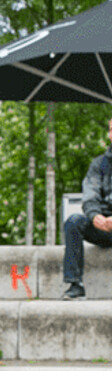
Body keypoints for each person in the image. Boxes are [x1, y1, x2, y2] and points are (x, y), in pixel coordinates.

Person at [62, 116, 112, 300]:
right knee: (74, 222)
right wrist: (94, 216)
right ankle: (75, 285)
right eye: (111, 129)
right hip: (102, 226)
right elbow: (89, 193)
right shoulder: (98, 164)